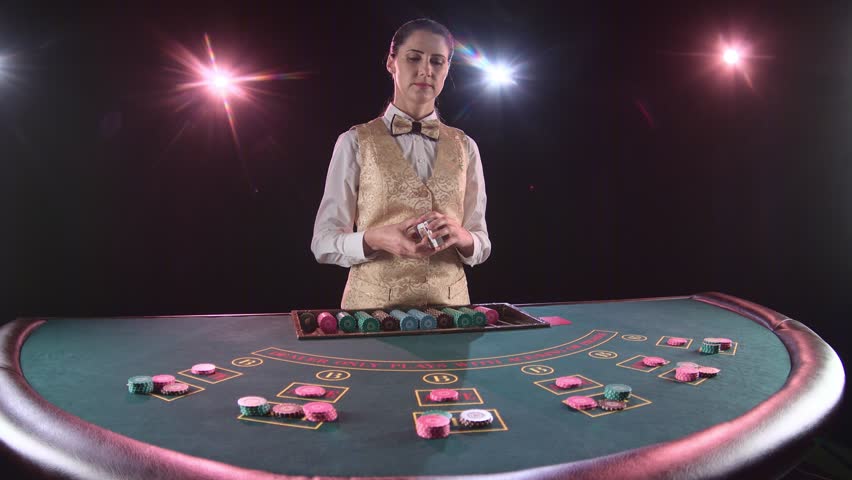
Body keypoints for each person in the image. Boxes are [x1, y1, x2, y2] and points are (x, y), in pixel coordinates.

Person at [311, 18, 491, 310]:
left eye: (437, 61)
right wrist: (374, 238)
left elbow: (481, 243)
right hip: (371, 317)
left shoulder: (466, 147)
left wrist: (462, 236)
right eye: (414, 58)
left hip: (453, 316)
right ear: (391, 62)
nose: (425, 70)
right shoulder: (355, 142)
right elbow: (322, 243)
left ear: (447, 69)